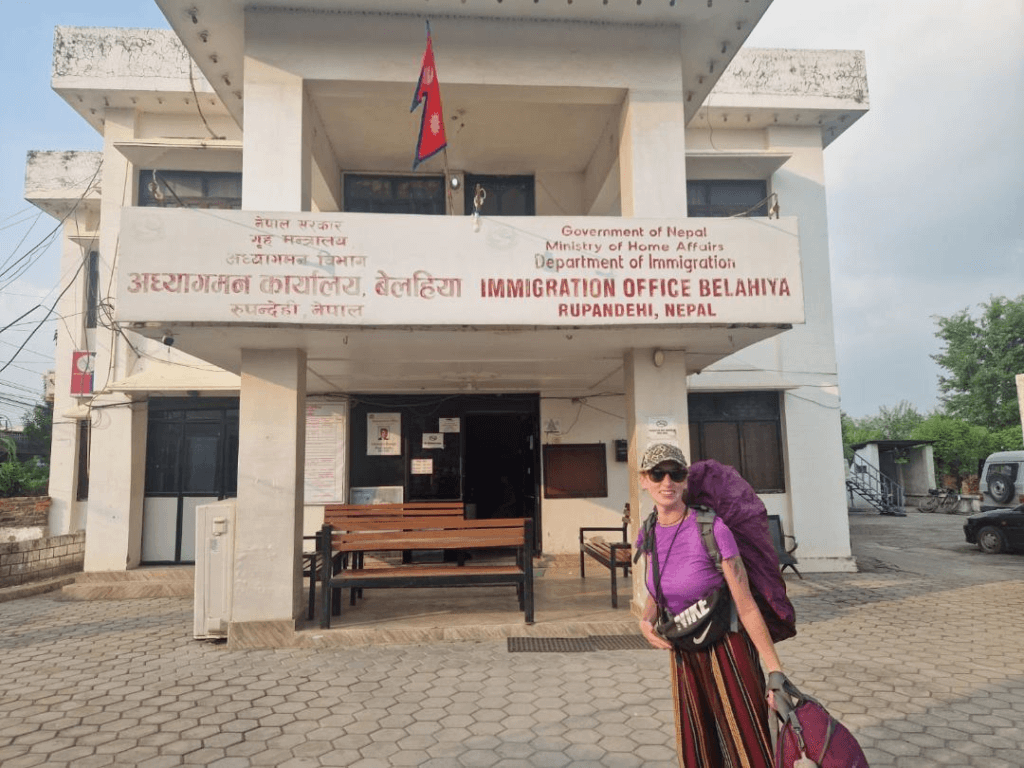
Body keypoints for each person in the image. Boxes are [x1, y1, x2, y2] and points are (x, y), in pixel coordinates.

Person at [635, 443, 783, 767]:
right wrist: (645, 621)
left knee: (746, 743)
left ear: (686, 479)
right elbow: (658, 590)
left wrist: (775, 671)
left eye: (676, 473)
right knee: (697, 747)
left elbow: (745, 605)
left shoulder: (712, 530)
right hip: (684, 648)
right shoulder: (647, 533)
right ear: (644, 479)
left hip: (727, 645)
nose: (667, 482)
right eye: (657, 473)